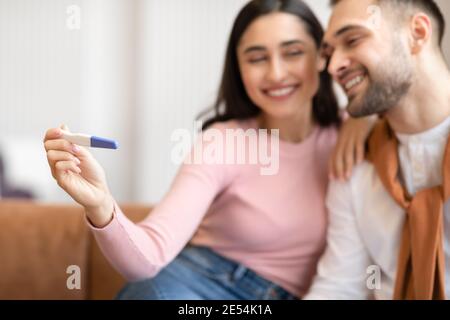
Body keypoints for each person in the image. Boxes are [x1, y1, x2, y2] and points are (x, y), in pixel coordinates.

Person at [44, 0, 373, 300]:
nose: (276, 73)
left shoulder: (357, 132)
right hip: (198, 282)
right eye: (257, 58)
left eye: (293, 52)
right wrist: (101, 204)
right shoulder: (223, 142)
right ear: (238, 68)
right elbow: (148, 257)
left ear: (322, 56)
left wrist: (366, 116)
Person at [305, 0, 450, 300]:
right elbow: (340, 287)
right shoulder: (354, 164)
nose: (332, 67)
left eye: (353, 40)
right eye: (330, 53)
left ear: (418, 33)